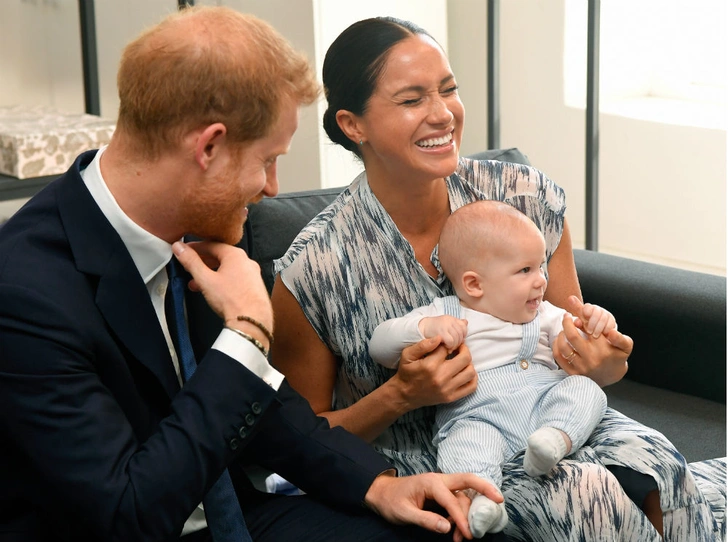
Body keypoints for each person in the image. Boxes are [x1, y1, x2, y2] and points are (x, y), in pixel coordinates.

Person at [0, 7, 505, 542]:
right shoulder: (26, 295)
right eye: (267, 160)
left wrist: (378, 486)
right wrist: (245, 336)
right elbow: (129, 512)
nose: (271, 187)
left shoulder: (198, 222)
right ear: (209, 147)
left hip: (236, 514)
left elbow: (268, 410)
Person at [270, 15, 724, 541]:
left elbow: (578, 340)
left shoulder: (522, 195)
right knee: (584, 495)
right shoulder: (315, 266)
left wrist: (602, 360)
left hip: (559, 418)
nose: (443, 114)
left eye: (448, 89)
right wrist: (400, 395)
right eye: (413, 99)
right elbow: (297, 441)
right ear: (354, 125)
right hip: (450, 457)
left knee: (660, 463)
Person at [369, 200, 618, 536]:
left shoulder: (543, 314)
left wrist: (598, 322)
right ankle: (484, 500)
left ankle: (554, 441)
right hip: (479, 417)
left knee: (586, 391)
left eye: (541, 267)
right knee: (464, 445)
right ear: (474, 285)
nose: (541, 281)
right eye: (525, 270)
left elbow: (580, 337)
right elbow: (379, 346)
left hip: (545, 405)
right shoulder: (446, 314)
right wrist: (425, 328)